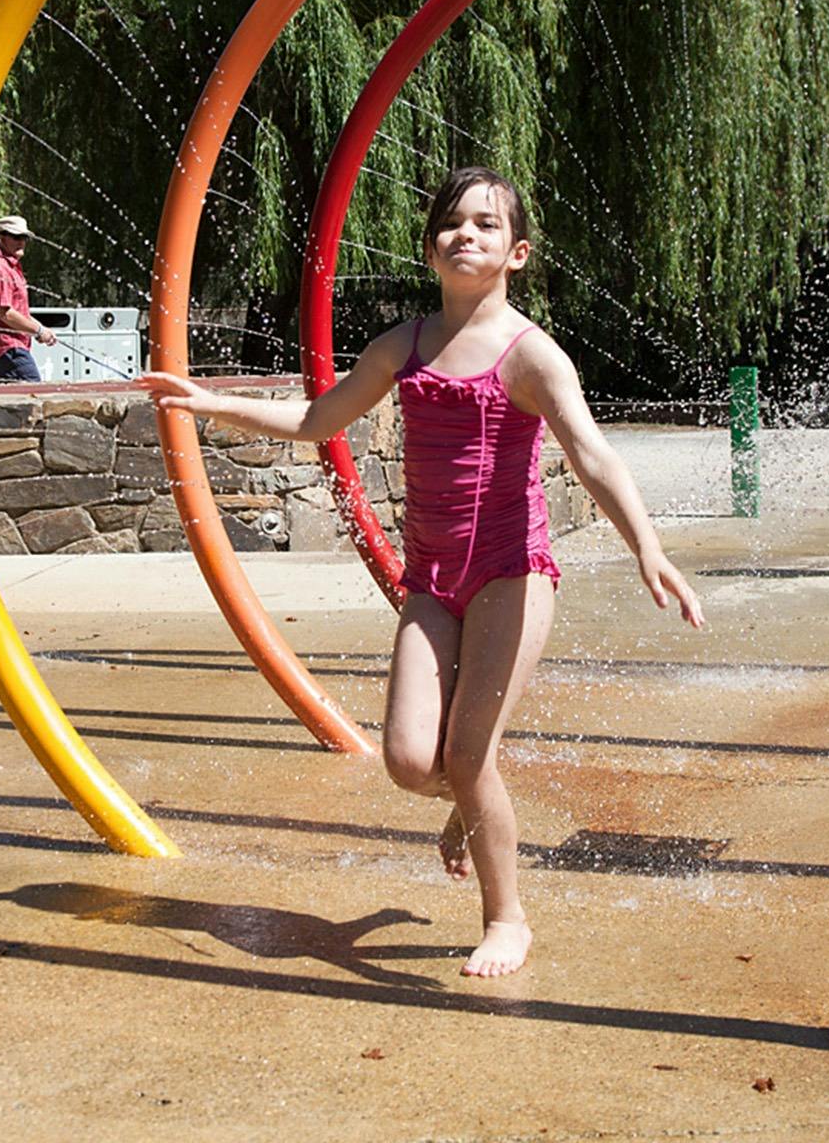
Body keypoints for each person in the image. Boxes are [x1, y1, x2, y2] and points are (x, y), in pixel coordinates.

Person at [139, 165, 704, 979]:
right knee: (410, 762)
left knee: (467, 756)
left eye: (486, 224)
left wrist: (646, 546)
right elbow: (319, 417)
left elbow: (591, 454)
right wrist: (209, 401)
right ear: (431, 247)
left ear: (517, 253)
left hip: (512, 572)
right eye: (452, 223)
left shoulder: (531, 354)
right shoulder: (401, 346)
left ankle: (506, 918)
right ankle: (473, 799)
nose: (466, 234)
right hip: (433, 580)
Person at [0, 214, 56, 381]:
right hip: (6, 348)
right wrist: (39, 331)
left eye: (24, 237)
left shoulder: (9, 267)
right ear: (1, 238)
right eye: (16, 237)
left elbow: (19, 312)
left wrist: (41, 329)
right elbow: (5, 313)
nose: (21, 242)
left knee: (7, 397)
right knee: (33, 391)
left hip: (3, 350)